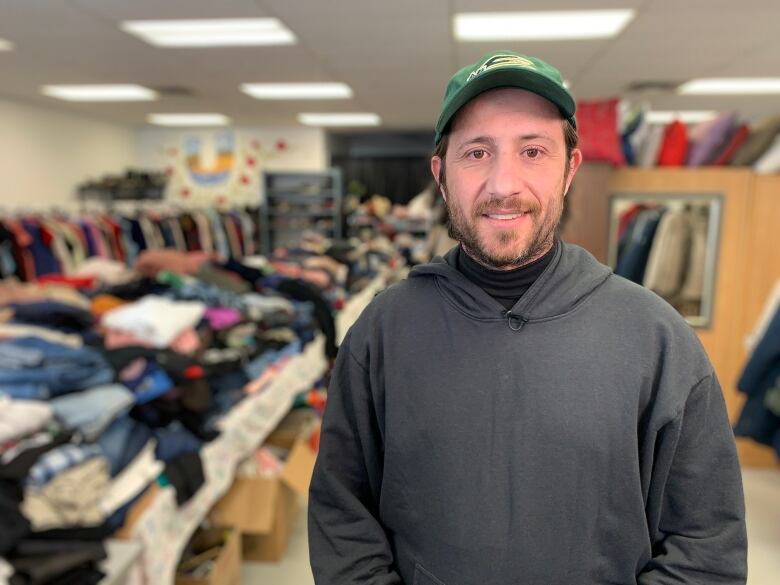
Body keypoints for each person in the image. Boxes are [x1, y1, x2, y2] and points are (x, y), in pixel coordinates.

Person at [308, 50, 747, 585]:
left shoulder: (656, 338)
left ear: (569, 169)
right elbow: (341, 516)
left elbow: (707, 546)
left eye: (533, 151)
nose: (503, 185)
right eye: (476, 153)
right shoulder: (382, 333)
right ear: (441, 175)